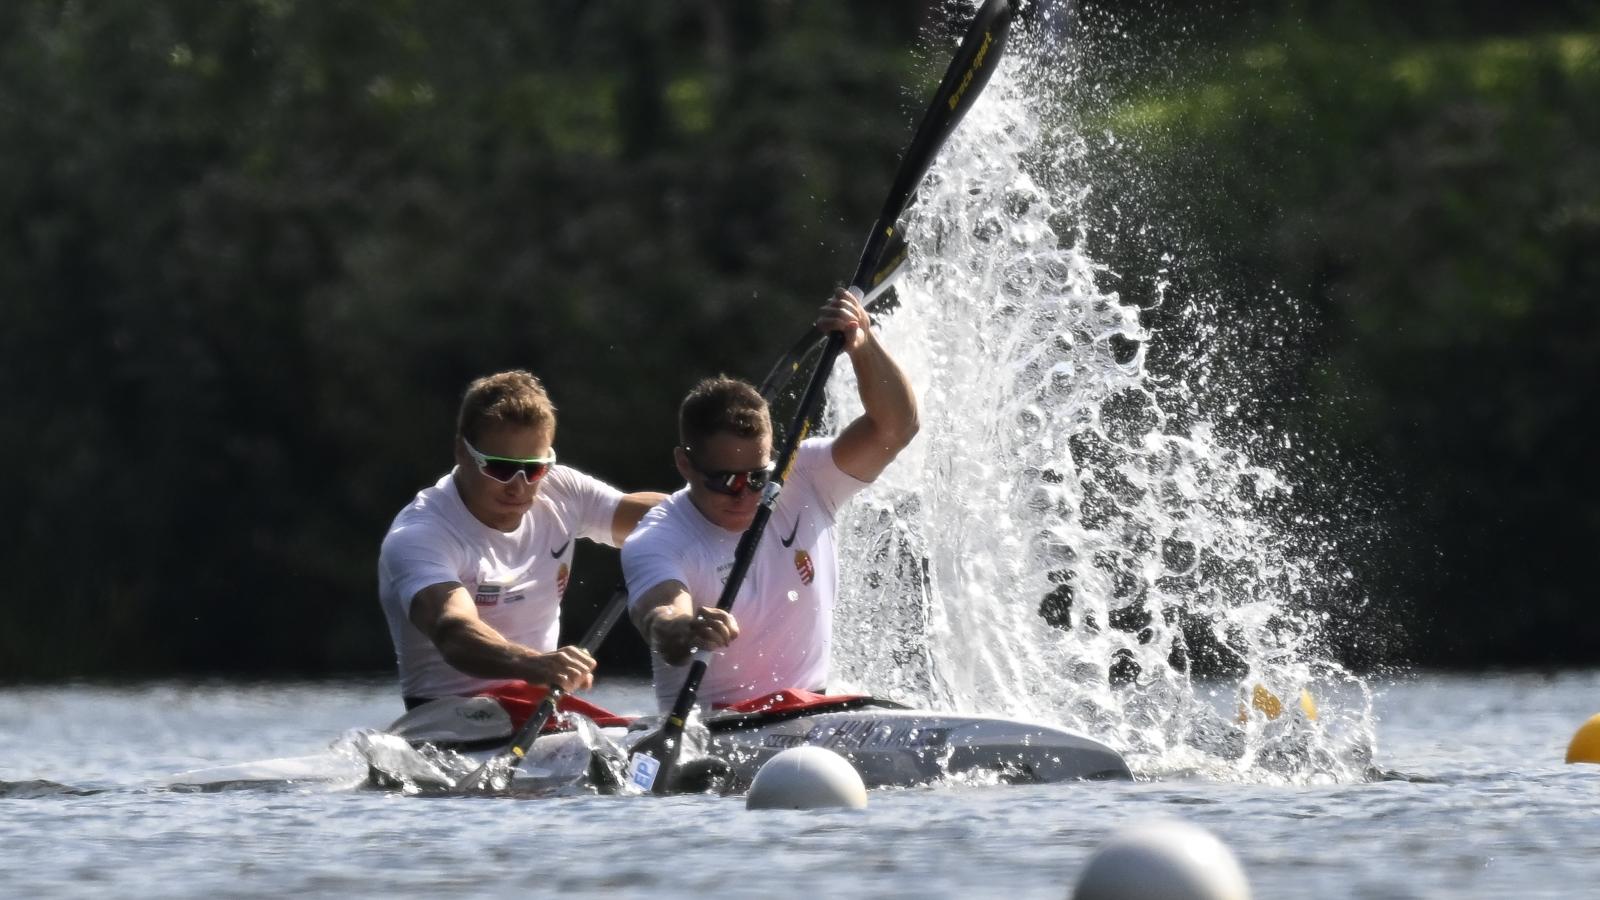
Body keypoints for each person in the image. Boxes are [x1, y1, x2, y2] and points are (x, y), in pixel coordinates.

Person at [622, 289, 919, 711]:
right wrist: (687, 630)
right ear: (684, 465)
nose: (744, 493)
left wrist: (861, 342)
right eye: (725, 480)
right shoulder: (659, 536)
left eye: (758, 477)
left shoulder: (806, 475)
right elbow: (660, 620)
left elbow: (896, 428)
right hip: (714, 728)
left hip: (811, 709)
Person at [377, 369, 664, 726]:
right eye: (500, 468)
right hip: (450, 717)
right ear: (461, 452)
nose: (519, 486)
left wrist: (736, 497)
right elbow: (454, 632)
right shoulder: (422, 533)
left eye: (534, 469)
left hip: (538, 709)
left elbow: (660, 519)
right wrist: (535, 664)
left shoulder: (561, 492)